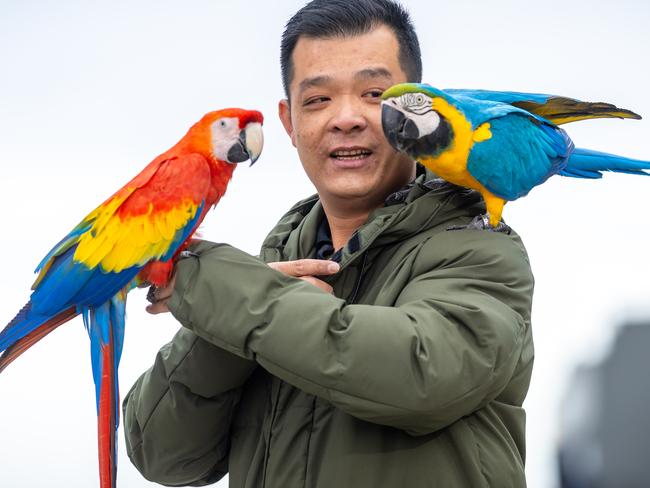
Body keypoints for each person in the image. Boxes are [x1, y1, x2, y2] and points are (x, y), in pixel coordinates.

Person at [123, 1, 534, 486]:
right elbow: (162, 455)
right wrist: (230, 322)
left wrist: (226, 290)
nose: (346, 118)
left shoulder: (480, 248)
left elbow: (421, 378)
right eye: (317, 100)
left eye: (375, 94)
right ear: (289, 123)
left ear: (421, 104)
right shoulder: (270, 267)